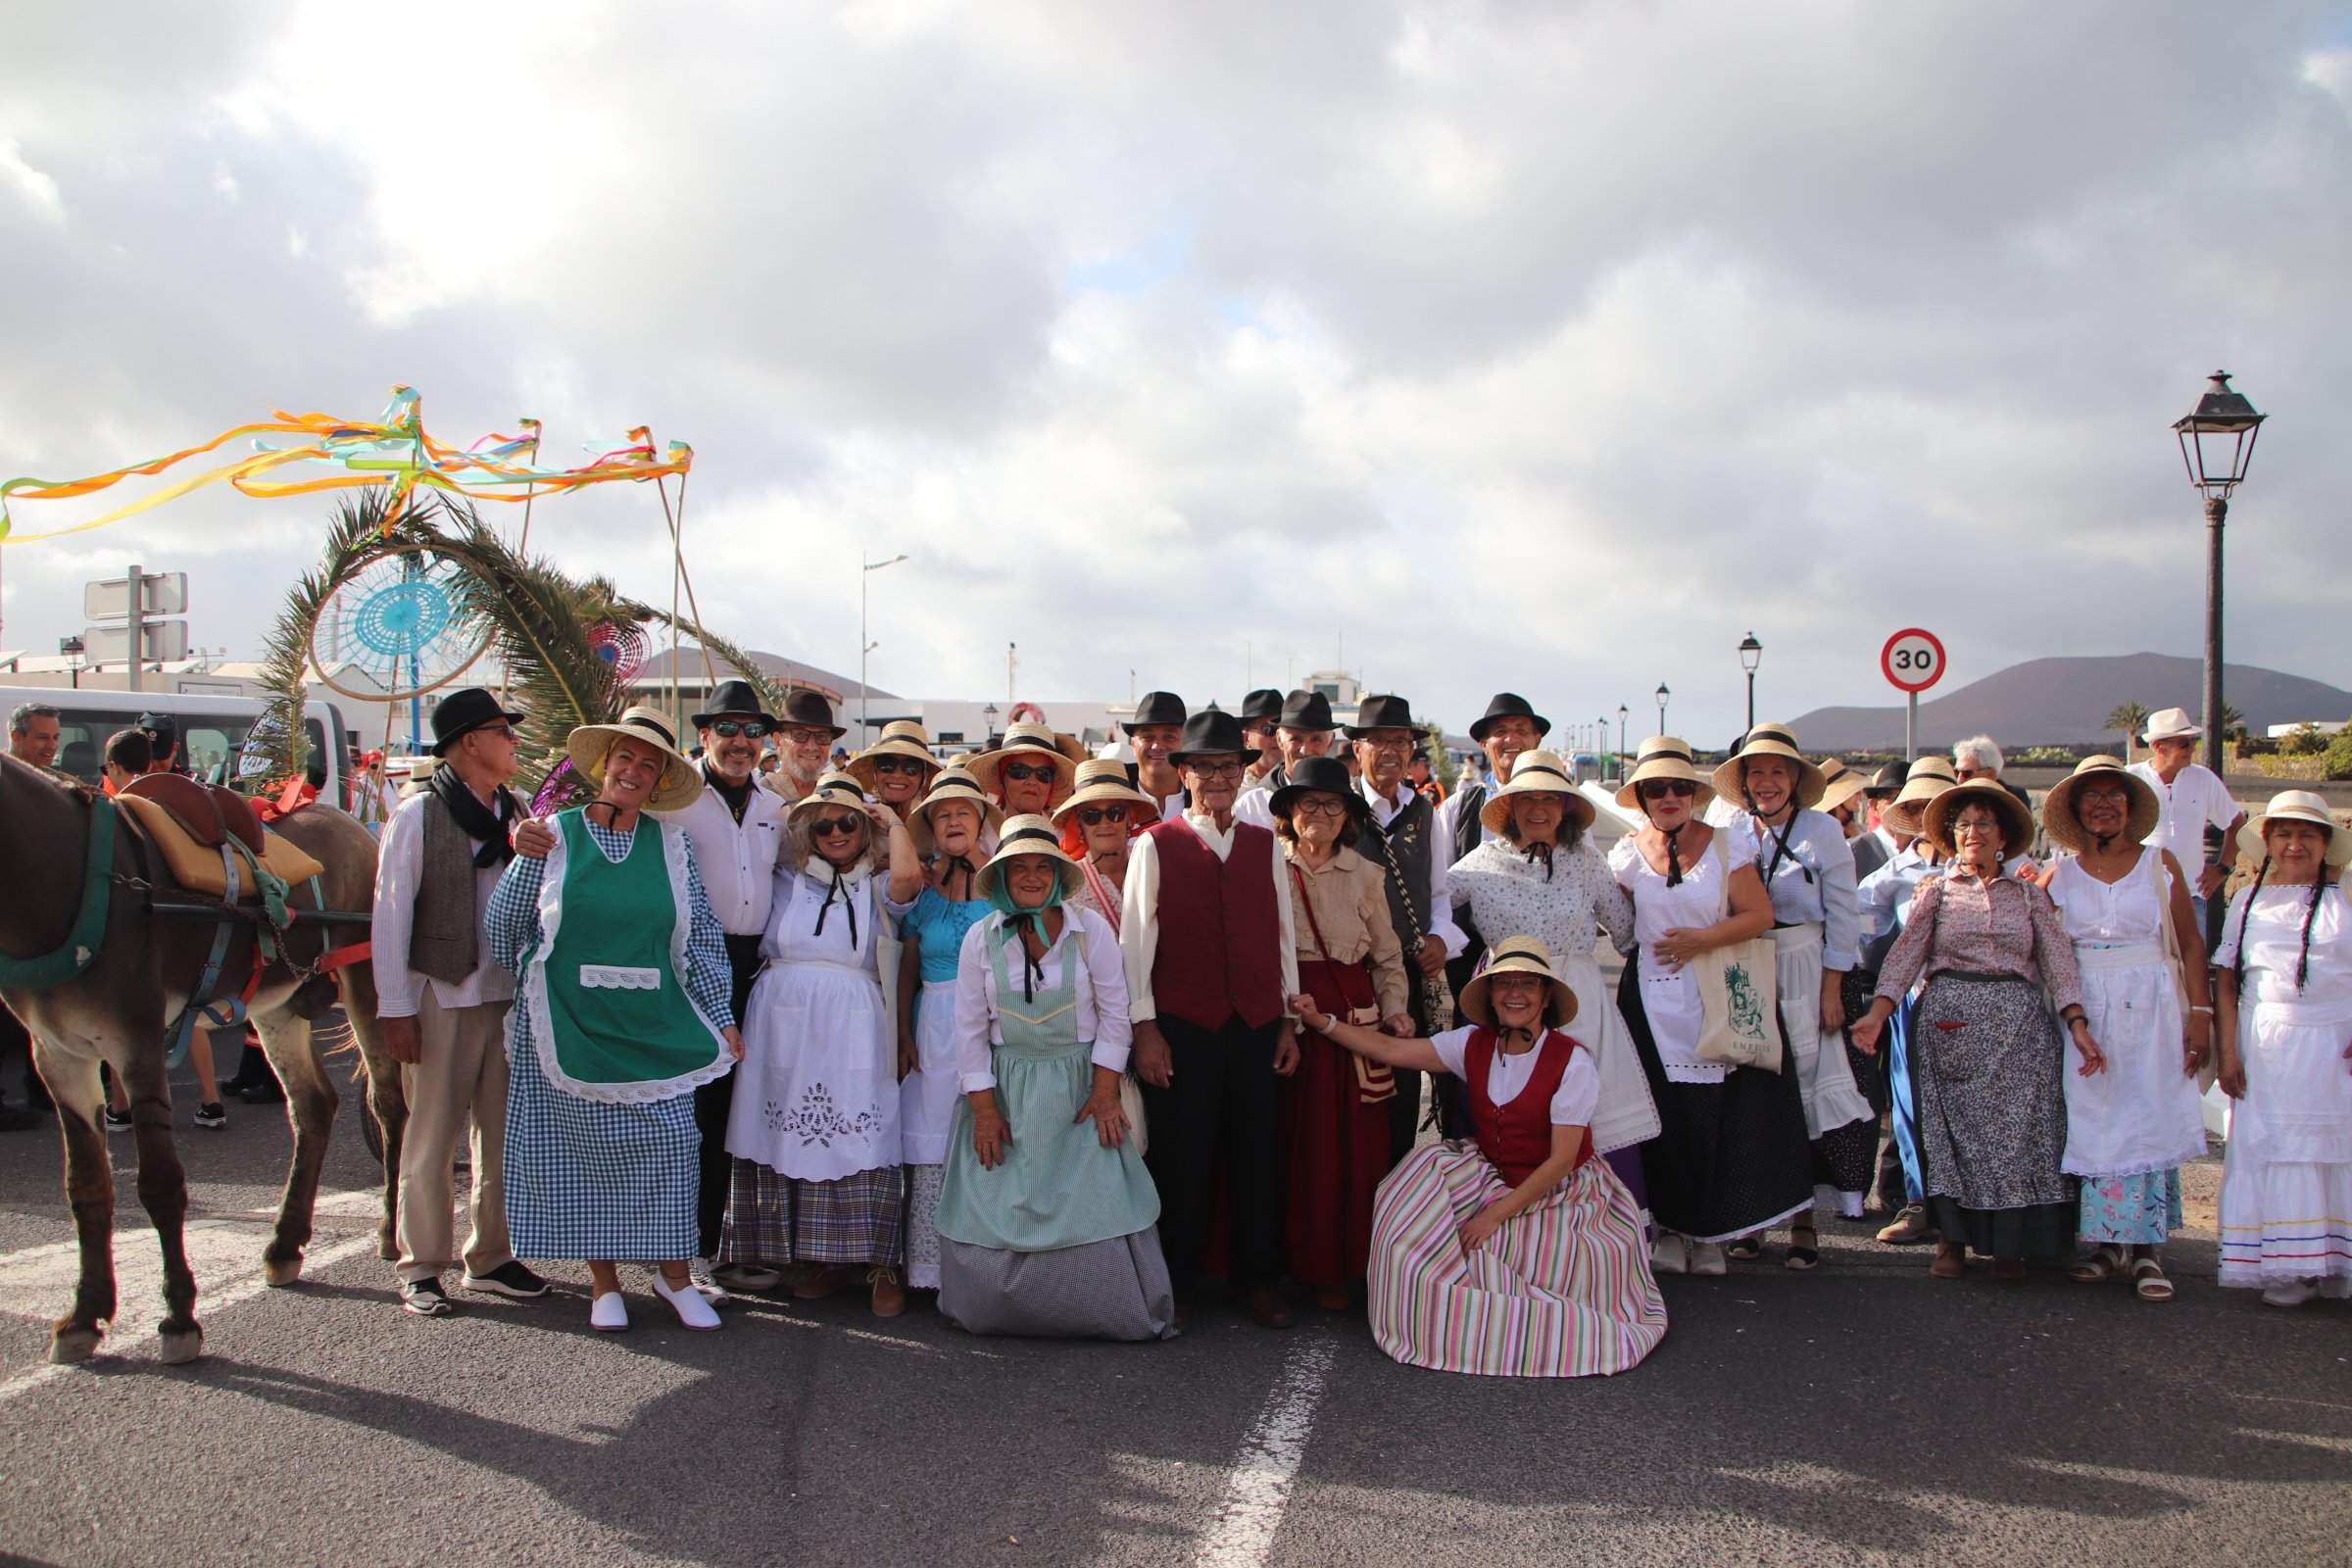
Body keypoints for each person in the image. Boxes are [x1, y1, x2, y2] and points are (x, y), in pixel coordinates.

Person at [1293, 937, 1667, 1378]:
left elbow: (1561, 1162)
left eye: (1528, 984)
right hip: (1490, 1171)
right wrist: (1323, 1023)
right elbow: (1392, 1051)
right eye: (1504, 983)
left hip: (1559, 1190)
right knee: (1406, 1195)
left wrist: (1493, 1215)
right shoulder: (1472, 1043)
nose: (1515, 994)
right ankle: (1433, 1318)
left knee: (1523, 1254)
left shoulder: (1572, 1062)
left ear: (1546, 997)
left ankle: (1499, 1329)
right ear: (1489, 994)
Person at [492, 708, 741, 1332]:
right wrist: (524, 863)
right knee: (586, 1154)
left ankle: (674, 1275)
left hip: (653, 1022)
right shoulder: (551, 833)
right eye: (624, 759)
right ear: (604, 767)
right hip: (572, 1020)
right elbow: (503, 931)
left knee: (673, 1146)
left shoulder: (674, 846)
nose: (633, 771)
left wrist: (719, 1015)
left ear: (657, 783)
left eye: (648, 764)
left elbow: (702, 940)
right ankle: (603, 1284)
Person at [932, 815, 1175, 1339]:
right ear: (1000, 877)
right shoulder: (981, 938)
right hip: (1007, 1090)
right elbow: (969, 1030)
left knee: (1097, 1195)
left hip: (1080, 1088)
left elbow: (1116, 1014)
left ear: (1059, 875)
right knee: (999, 1191)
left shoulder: (1092, 933)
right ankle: (992, 1307)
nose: (1032, 877)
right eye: (1019, 867)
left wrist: (1106, 1092)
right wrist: (984, 1110)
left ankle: (1107, 1310)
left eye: (1044, 866)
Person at [1854, 780, 2102, 1282]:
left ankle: (2010, 1244)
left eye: (1983, 823)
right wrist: (1878, 1013)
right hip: (1951, 1022)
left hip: (2021, 1029)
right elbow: (1907, 955)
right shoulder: (1936, 892)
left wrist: (2076, 1023)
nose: (1972, 833)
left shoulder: (2029, 896)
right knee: (1951, 1136)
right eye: (1964, 824)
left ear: (2003, 835)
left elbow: (2056, 960)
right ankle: (1952, 1241)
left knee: (2019, 1136)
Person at [366, 690, 550, 1314]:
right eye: (504, 731)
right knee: (432, 1136)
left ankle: (491, 1255)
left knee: (501, 1137)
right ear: (470, 742)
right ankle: (420, 1265)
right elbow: (390, 915)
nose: (514, 742)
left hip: (508, 996)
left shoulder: (518, 811)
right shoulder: (417, 815)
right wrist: (394, 1008)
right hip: (441, 993)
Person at [1119, 709, 1302, 1328]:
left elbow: (1281, 934)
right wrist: (1144, 1028)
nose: (1217, 778)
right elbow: (1134, 943)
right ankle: (1178, 1281)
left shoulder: (1263, 845)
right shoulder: (1155, 843)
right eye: (1204, 767)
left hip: (1253, 1021)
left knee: (1257, 1153)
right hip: (1183, 1024)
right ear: (1185, 773)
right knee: (1182, 1155)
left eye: (1228, 766)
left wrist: (1285, 1018)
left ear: (1242, 772)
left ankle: (1257, 1278)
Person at [1609, 737, 1811, 1276]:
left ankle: (1709, 1232)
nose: (1669, 797)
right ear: (1643, 797)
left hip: (1715, 994)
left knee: (1713, 1118)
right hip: (1650, 1001)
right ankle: (1669, 1230)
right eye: (1658, 789)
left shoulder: (1726, 845)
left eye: (1679, 787)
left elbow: (1759, 915)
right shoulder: (1627, 855)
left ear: (1694, 795)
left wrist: (1702, 940)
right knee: (1661, 1118)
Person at [723, 768, 922, 1315]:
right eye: (823, 823)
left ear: (866, 829)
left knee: (864, 1133)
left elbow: (909, 878)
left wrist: (889, 819)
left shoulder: (879, 882)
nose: (835, 832)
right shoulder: (784, 878)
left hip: (854, 1018)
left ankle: (881, 1263)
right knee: (787, 1135)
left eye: (848, 823)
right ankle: (818, 1259)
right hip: (782, 1020)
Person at [1448, 751, 1660, 1214]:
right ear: (1511, 806)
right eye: (1528, 797)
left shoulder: (1586, 861)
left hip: (1577, 997)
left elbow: (1625, 931)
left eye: (1551, 797)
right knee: (1514, 1112)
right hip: (1507, 997)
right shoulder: (1480, 862)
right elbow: (1431, 907)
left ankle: (1602, 1228)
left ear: (1565, 806)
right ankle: (1514, 1226)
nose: (1539, 808)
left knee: (1591, 1113)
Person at [2039, 758, 2212, 1301]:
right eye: (2092, 796)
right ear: (2076, 810)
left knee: (2149, 1115)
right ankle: (2109, 1243)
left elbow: (2189, 942)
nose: (2104, 804)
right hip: (2086, 1007)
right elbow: (2044, 949)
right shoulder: (2059, 875)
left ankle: (2148, 1251)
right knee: (2098, 1118)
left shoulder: (2160, 865)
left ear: (2132, 808)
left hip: (2155, 1005)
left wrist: (2201, 1017)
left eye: (2115, 795)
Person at [650, 678, 793, 1300]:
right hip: (684, 969)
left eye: (753, 731)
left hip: (751, 970)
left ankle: (706, 1249)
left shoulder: (772, 806)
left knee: (732, 1111)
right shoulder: (670, 801)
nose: (741, 742)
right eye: (728, 730)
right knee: (686, 1115)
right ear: (702, 735)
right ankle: (669, 1253)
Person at [1711, 725, 1875, 1253]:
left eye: (1777, 771)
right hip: (1746, 964)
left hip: (1805, 963)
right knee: (1751, 1091)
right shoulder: (1728, 825)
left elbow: (1844, 917)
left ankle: (1803, 1218)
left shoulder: (1821, 831)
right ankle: (1755, 1215)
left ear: (1795, 779)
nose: (1766, 781)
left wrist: (1833, 989)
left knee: (1803, 1095)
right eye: (1756, 771)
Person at [1269, 754, 1411, 1311]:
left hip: (1351, 1025)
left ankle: (1343, 1268)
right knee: (1288, 1144)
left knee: (1349, 1151)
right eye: (1310, 803)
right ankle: (1287, 1264)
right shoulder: (1268, 867)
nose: (1321, 814)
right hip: (1286, 1022)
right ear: (1290, 811)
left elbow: (1388, 959)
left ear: (1347, 814)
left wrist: (1396, 1011)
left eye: (1332, 804)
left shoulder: (1366, 874)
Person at [2212, 791, 2352, 1306]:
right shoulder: (2246, 904)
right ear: (2267, 842)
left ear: (2325, 844)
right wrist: (2228, 1053)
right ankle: (2290, 1266)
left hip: (2336, 1044)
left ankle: (2333, 1264)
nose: (2295, 845)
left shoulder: (2348, 898)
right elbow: (2226, 983)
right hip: (2266, 1042)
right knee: (2274, 1149)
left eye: (2307, 835)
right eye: (2284, 834)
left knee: (2333, 1150)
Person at [893, 766, 1004, 1295]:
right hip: (935, 1024)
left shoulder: (1006, 879)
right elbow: (908, 967)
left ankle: (985, 1271)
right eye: (943, 815)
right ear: (931, 827)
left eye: (964, 811)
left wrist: (987, 866)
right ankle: (931, 1270)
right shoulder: (924, 890)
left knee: (992, 1141)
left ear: (981, 820)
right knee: (934, 1149)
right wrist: (902, 1033)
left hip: (995, 1024)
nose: (954, 821)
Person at [1348, 694, 1467, 1150]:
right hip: (1354, 977)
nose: (1391, 751)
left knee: (1401, 1092)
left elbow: (1439, 892)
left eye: (1400, 740)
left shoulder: (1424, 812)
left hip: (1408, 977)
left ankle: (1400, 1201)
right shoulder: (1337, 810)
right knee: (1353, 1094)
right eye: (1378, 740)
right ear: (1357, 749)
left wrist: (1440, 936)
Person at [1859, 762, 1955, 1242]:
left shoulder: (1980, 861)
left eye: (1934, 808)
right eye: (1915, 808)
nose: (1924, 818)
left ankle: (1970, 1206)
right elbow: (1862, 917)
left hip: (1972, 1000)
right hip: (1913, 1000)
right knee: (1910, 1103)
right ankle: (1918, 1202)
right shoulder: (1895, 873)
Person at [2130, 707, 2246, 941]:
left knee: (2191, 970)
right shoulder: (2131, 779)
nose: (2192, 749)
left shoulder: (2204, 779)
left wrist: (2222, 869)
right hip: (2136, 896)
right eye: (2184, 743)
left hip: (2191, 897)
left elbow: (2236, 823)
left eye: (2193, 742)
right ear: (2158, 746)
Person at [1434, 693, 1550, 867]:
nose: (1511, 739)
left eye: (1521, 730)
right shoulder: (1457, 809)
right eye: (1500, 731)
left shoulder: (1564, 804)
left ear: (1537, 739)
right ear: (1483, 744)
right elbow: (1440, 881)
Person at [1054, 759, 1156, 926]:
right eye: (1091, 815)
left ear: (1130, 819)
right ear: (1079, 825)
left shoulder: (1153, 865)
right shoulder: (1066, 884)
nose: (1104, 823)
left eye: (1115, 813)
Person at [1234, 688, 1338, 830]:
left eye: (1316, 740)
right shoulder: (1253, 806)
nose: (1305, 750)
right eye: (1296, 739)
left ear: (1330, 743)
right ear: (1279, 740)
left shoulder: (1344, 804)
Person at [971, 719, 1079, 820]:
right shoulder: (977, 836)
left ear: (1051, 784)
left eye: (1043, 774)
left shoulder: (1063, 838)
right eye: (1019, 771)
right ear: (1001, 776)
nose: (1032, 782)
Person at [761, 689, 847, 805]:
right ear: (778, 741)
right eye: (800, 734)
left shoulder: (838, 798)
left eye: (822, 736)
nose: (811, 747)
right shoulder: (758, 798)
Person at [848, 718, 943, 821]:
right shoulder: (853, 826)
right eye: (887, 765)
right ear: (875, 771)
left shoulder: (933, 831)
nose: (897, 775)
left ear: (924, 776)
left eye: (911, 768)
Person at [1123, 692, 1190, 822]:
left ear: (1186, 744)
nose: (1157, 746)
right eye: (1147, 737)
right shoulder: (1114, 805)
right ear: (1133, 745)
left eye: (1169, 737)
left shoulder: (1205, 802)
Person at [1952, 734, 2036, 816]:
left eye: (1967, 773)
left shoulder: (2013, 798)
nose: (1959, 779)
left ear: (1990, 774)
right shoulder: (1952, 798)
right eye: (1956, 772)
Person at [1237, 688, 1284, 798]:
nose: (1277, 737)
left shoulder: (1298, 786)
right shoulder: (1233, 791)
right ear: (1246, 739)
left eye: (1282, 729)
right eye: (1268, 730)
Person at [8, 701, 61, 770]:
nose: (52, 746)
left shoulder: (55, 779)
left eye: (55, 738)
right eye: (43, 737)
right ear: (17, 737)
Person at [100, 728, 151, 795]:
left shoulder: (112, 804)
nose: (107, 776)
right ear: (150, 765)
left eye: (105, 769)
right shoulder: (164, 794)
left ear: (115, 767)